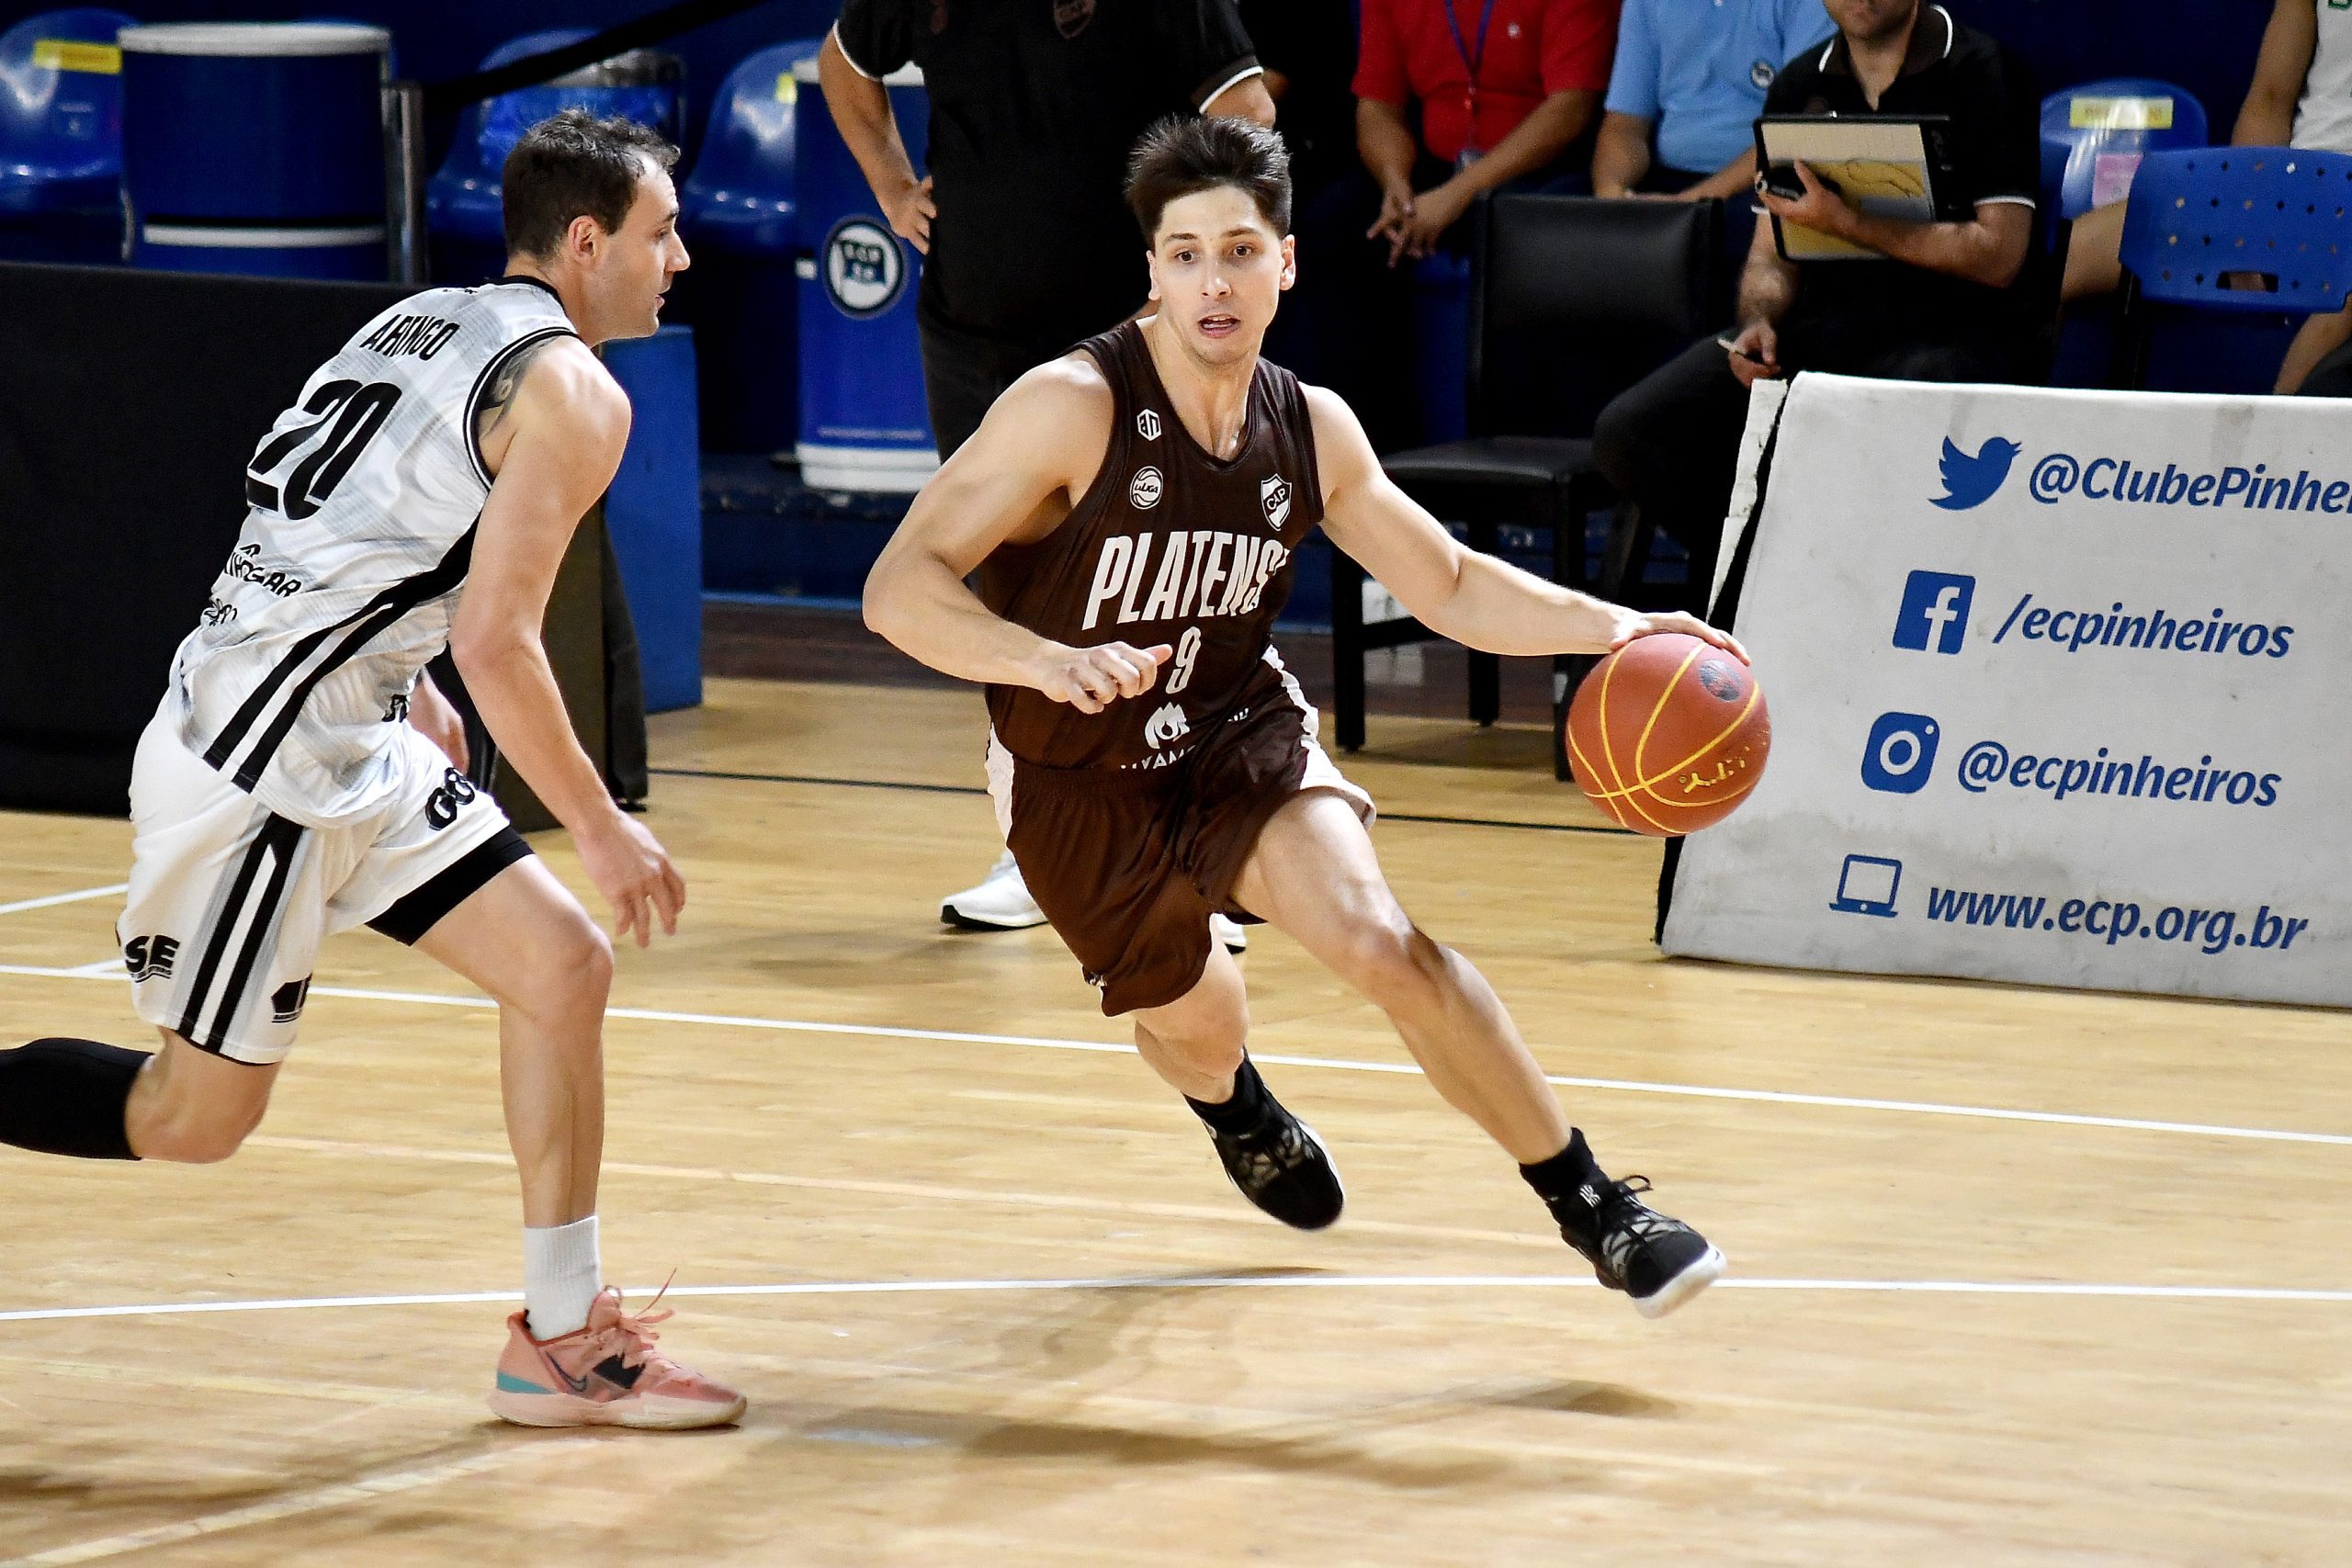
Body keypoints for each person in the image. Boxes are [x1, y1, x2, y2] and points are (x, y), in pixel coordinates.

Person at [864, 115, 1733, 1317]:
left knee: (1384, 941)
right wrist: (1037, 657)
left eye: (1237, 250)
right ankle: (1234, 1104)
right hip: (1077, 778)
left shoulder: (1310, 425)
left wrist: (1621, 629)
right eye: (1183, 255)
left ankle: (1595, 1202)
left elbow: (1452, 583)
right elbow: (898, 585)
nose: (1212, 281)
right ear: (1152, 271)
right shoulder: (1069, 407)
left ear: (1286, 261)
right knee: (1201, 1026)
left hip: (1234, 735)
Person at [0, 110, 743, 1430]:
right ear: (586, 242)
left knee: (564, 964)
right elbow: (503, 638)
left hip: (344, 727)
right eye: (661, 230)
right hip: (264, 769)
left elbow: (357, 534)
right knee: (193, 1119)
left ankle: (562, 1337)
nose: (679, 256)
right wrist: (603, 821)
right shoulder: (576, 391)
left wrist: (415, 682)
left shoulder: (425, 322)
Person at [820, 0, 1276, 939]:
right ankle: (1040, 842)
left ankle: (1185, 848)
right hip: (971, 324)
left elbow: (1247, 108)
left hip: (1124, 334)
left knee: (1150, 582)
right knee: (1012, 590)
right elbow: (843, 65)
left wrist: (1186, 245)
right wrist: (893, 185)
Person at [1593, 0, 2044, 613]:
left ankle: (1842, 599)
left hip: (1954, 336)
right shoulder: (1801, 82)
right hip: (1826, 336)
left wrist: (1850, 222)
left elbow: (1999, 254)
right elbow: (1769, 255)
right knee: (1634, 431)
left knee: (1881, 412)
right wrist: (1759, 323)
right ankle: (1771, 577)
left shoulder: (1984, 70)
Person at [1299, 0, 1619, 451]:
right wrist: (1397, 185)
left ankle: (1514, 462)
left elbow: (1570, 108)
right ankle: (1375, 457)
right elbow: (1377, 108)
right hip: (1434, 164)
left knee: (1514, 231)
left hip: (1536, 165)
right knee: (1336, 228)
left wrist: (1458, 194)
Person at [2066, 0, 2352, 394]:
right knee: (2083, 249)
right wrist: (2248, 218)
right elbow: (2269, 98)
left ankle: (2273, 440)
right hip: (2294, 186)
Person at [1591, 0, 1836, 201]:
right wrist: (1612, 195)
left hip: (1766, 183)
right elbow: (1625, 124)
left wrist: (1688, 206)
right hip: (1666, 182)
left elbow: (1797, 129)